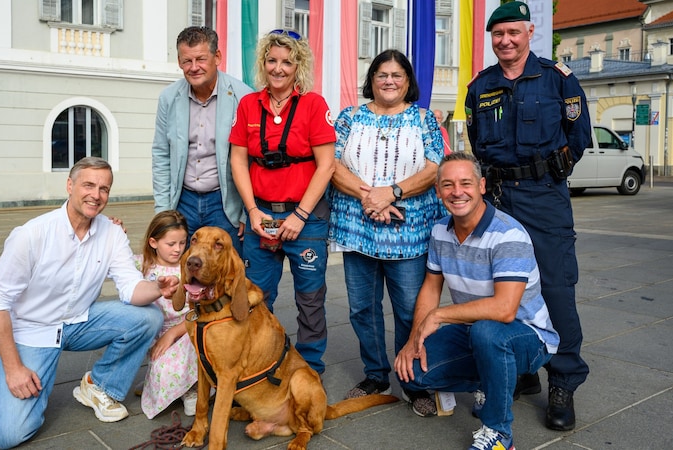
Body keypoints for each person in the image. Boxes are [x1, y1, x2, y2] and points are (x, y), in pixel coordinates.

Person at [0, 157, 178, 449]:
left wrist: (156, 288)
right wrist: (14, 369)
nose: (96, 195)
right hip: (33, 331)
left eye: (104, 188)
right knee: (7, 436)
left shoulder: (111, 233)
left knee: (149, 316)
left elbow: (130, 288)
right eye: (88, 185)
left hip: (79, 321)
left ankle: (99, 386)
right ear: (70, 185)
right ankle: (35, 388)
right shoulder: (31, 234)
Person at [465, 1, 591, 431]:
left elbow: (578, 138)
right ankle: (520, 371)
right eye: (498, 34)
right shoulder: (480, 86)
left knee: (556, 288)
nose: (505, 41)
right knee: (501, 288)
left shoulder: (558, 80)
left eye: (513, 33)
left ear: (529, 33)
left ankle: (564, 382)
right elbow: (476, 141)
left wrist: (547, 174)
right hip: (498, 198)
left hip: (543, 196)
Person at [394, 152, 559, 450]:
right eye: (448, 185)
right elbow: (431, 289)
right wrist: (413, 339)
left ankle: (499, 433)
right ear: (438, 191)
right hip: (474, 331)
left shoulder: (508, 234)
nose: (457, 191)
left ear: (482, 186)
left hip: (528, 337)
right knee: (412, 371)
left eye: (465, 183)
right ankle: (489, 381)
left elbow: (504, 310)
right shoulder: (440, 231)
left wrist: (439, 316)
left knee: (488, 332)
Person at [329, 49, 446, 399]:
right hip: (357, 227)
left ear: (407, 81)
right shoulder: (349, 117)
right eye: (382, 75)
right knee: (362, 309)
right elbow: (332, 166)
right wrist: (372, 198)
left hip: (408, 232)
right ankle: (376, 375)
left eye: (397, 75)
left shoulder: (424, 119)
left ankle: (413, 382)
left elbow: (433, 168)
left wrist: (391, 193)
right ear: (372, 80)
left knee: (410, 310)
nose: (389, 81)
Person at [229, 29, 336, 374]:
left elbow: (327, 165)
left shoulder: (313, 104)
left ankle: (310, 367)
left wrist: (301, 216)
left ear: (298, 66)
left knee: (310, 298)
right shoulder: (248, 104)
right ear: (263, 63)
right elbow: (238, 161)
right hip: (262, 215)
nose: (278, 68)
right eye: (272, 60)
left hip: (305, 218)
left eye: (286, 62)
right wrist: (252, 210)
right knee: (256, 296)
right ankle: (260, 363)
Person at [152, 26, 253, 255]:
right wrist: (163, 211)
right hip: (182, 201)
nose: (194, 67)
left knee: (224, 277)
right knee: (181, 275)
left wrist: (247, 212)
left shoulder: (243, 97)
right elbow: (161, 154)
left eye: (201, 59)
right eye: (187, 61)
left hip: (225, 204)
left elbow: (253, 160)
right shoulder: (168, 98)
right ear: (179, 61)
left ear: (217, 57)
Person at [135, 211, 199, 419]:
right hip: (157, 330)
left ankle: (191, 390)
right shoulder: (143, 264)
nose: (178, 249)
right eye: (171, 244)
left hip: (187, 328)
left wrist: (173, 333)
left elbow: (199, 311)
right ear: (153, 242)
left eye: (182, 243)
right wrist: (114, 230)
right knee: (163, 368)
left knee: (189, 345)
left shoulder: (189, 266)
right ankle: (159, 379)